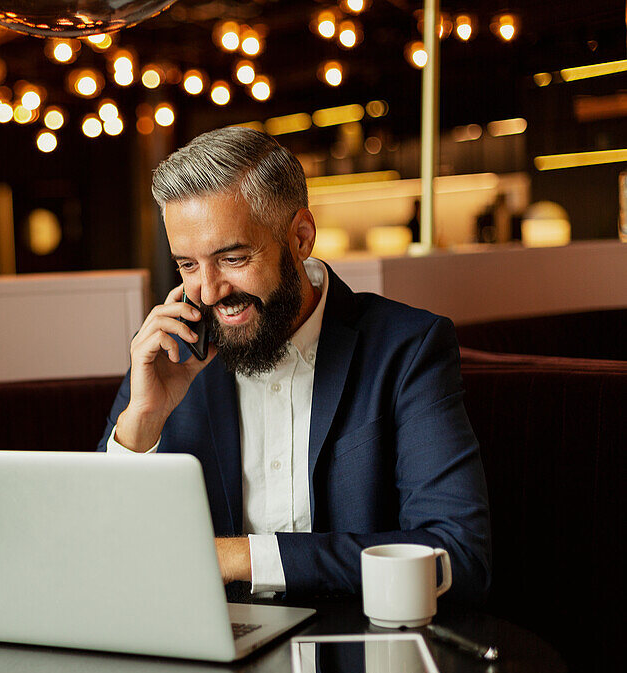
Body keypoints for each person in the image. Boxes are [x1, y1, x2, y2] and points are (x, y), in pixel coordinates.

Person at [97, 126, 490, 603]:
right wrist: (142, 422)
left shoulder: (407, 349)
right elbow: (100, 552)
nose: (208, 291)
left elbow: (457, 556)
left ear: (301, 237)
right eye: (187, 265)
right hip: (209, 654)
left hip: (359, 650)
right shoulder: (169, 355)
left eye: (233, 258)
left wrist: (238, 557)